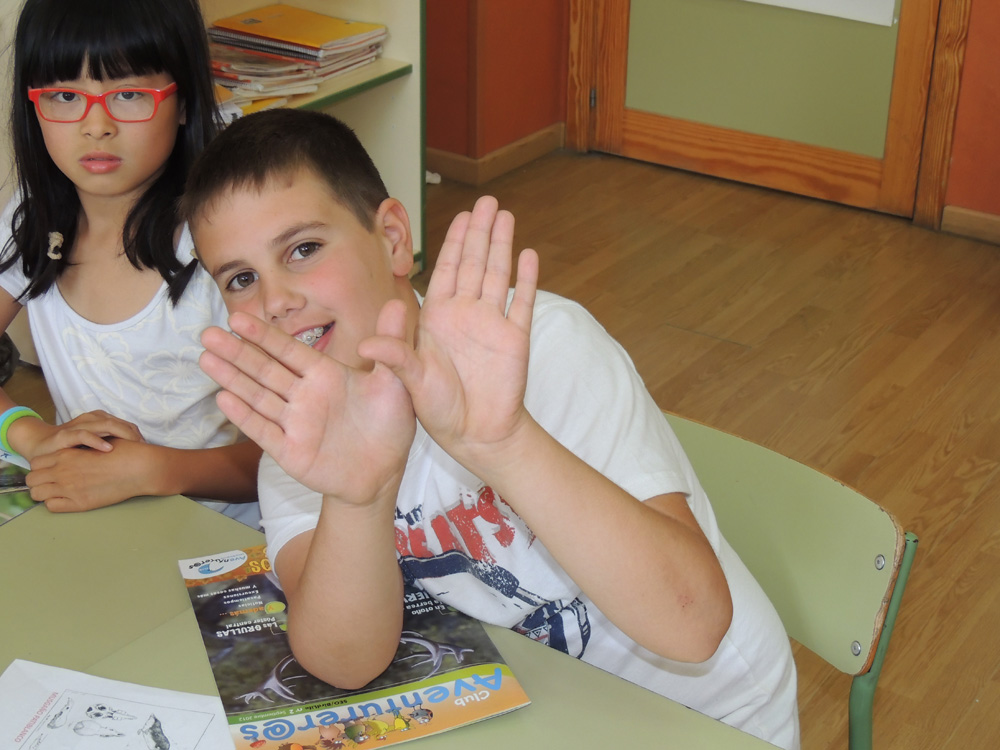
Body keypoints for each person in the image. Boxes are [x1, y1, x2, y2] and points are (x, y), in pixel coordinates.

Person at [185, 108, 800, 748]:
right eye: (242, 279)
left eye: (304, 249)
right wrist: (357, 496)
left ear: (393, 237)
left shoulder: (537, 350)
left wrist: (499, 442)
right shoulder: (298, 436)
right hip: (541, 709)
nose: (276, 299)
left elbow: (693, 629)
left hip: (706, 719)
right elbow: (344, 662)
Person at [0, 0, 261, 525]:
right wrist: (31, 432)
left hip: (221, 533)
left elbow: (285, 461)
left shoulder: (228, 243)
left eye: (130, 94)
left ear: (184, 100)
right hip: (96, 518)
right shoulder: (33, 216)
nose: (96, 126)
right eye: (65, 96)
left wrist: (153, 470)